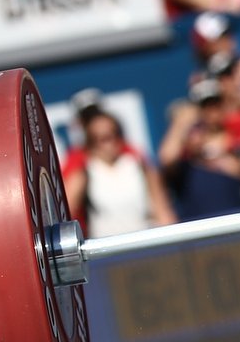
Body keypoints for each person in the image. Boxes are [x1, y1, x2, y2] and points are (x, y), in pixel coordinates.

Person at [64, 99, 175, 239]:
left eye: (113, 135)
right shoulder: (83, 172)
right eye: (100, 138)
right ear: (90, 141)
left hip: (146, 244)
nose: (108, 143)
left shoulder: (140, 165)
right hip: (105, 251)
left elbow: (163, 211)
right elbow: (66, 212)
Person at [160, 77, 240, 222]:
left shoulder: (239, 140)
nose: (212, 111)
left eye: (216, 104)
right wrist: (182, 121)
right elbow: (167, 158)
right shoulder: (187, 152)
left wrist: (235, 164)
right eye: (205, 106)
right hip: (201, 233)